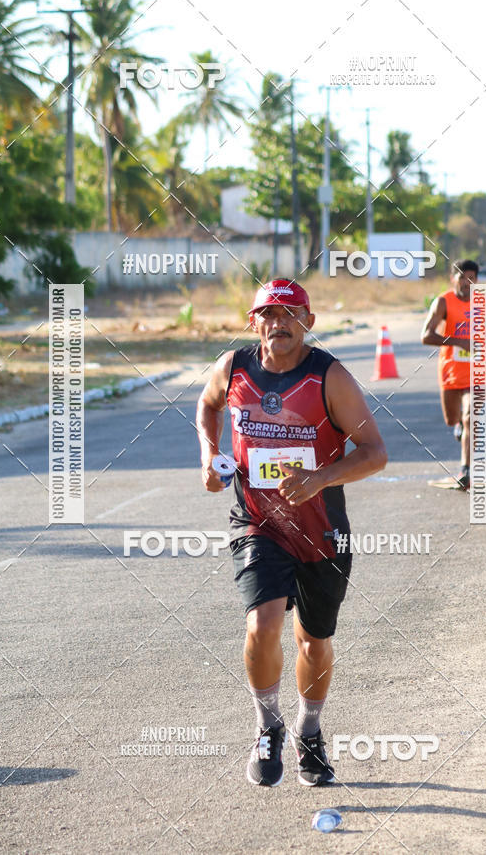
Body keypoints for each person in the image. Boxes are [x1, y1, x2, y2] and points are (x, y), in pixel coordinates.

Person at [196, 278, 387, 787]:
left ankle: (309, 731)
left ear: (308, 321)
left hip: (321, 531)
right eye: (268, 314)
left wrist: (320, 477)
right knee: (262, 625)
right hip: (257, 523)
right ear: (253, 320)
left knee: (314, 642)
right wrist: (209, 456)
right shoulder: (233, 368)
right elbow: (208, 405)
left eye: (290, 314)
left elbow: (375, 452)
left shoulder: (330, 377)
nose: (278, 323)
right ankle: (266, 726)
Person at [421, 259, 479, 490]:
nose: (467, 282)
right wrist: (458, 340)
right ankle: (459, 428)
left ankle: (465, 470)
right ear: (453, 278)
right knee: (453, 419)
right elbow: (426, 336)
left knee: (469, 418)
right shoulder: (444, 302)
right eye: (463, 277)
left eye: (472, 278)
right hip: (451, 372)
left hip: (476, 373)